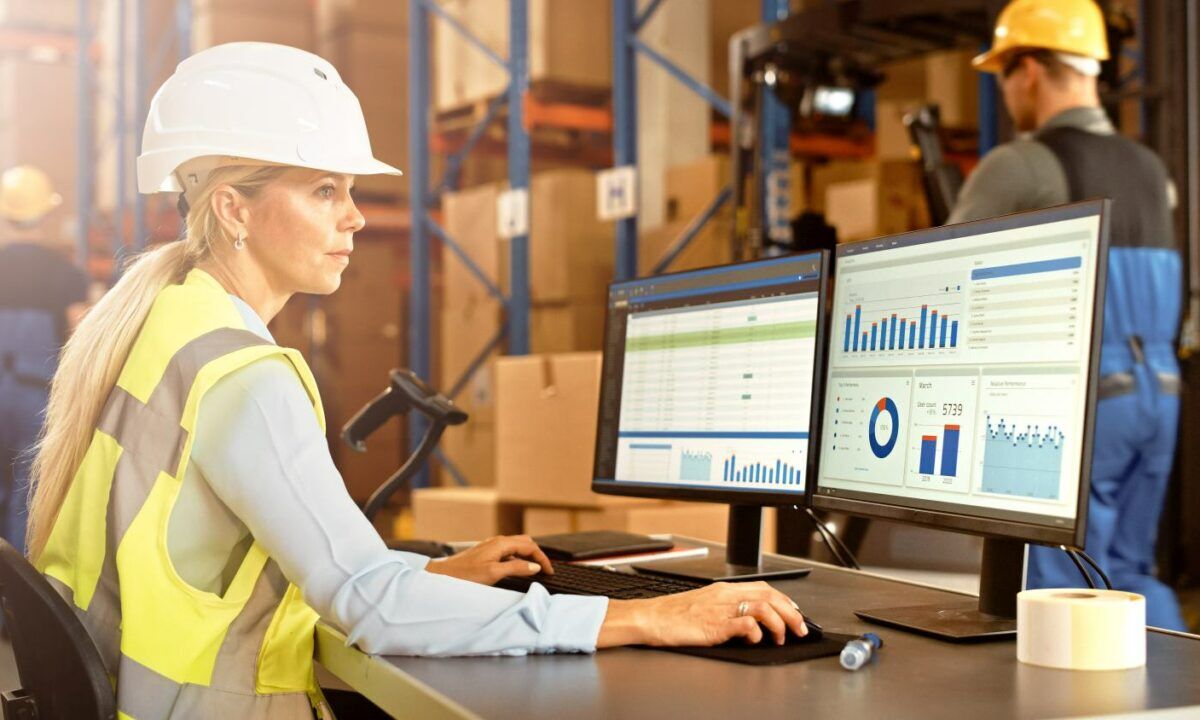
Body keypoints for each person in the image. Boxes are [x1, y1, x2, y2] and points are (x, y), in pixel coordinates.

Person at [25, 42, 808, 718]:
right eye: (325, 191)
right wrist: (645, 618)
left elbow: (251, 564)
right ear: (234, 209)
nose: (356, 217)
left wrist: (425, 573)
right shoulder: (243, 378)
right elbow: (371, 608)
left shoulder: (165, 325)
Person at [950, 0, 1186, 630]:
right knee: (1129, 579)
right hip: (1159, 395)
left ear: (1028, 70)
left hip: (1079, 405)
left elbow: (943, 281)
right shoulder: (1153, 170)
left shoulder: (1020, 164)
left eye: (1003, 74)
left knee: (1058, 596)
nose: (1005, 92)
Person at [0, 165, 89, 556]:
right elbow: (81, 337)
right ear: (46, 212)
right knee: (27, 496)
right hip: (36, 395)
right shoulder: (66, 273)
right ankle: (14, 588)